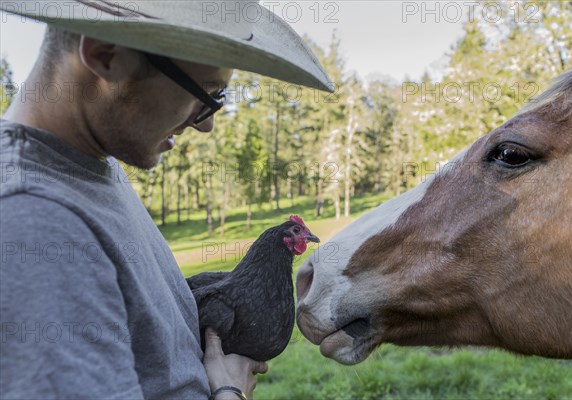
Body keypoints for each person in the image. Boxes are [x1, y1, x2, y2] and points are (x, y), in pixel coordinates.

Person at [0, 1, 332, 399]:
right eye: (205, 95)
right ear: (107, 55)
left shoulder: (92, 166)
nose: (207, 124)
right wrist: (230, 393)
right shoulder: (34, 219)